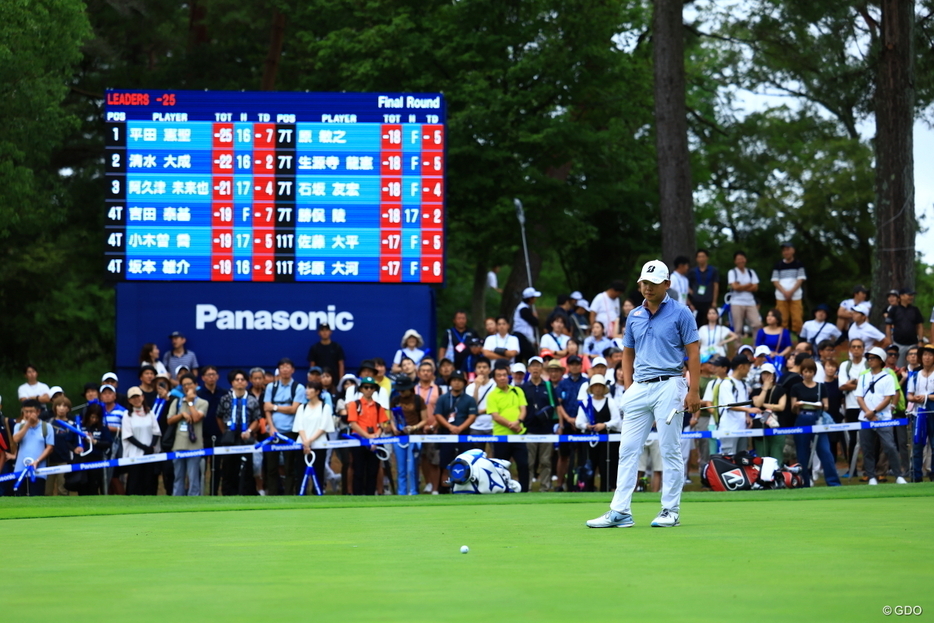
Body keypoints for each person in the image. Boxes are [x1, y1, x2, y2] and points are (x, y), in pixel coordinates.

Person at [587, 260, 700, 529]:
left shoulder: (681, 313)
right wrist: (628, 387)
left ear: (667, 285)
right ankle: (620, 511)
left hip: (670, 383)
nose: (646, 287)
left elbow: (693, 352)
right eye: (643, 283)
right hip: (639, 386)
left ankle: (670, 510)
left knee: (670, 449)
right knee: (627, 450)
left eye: (652, 283)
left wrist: (693, 390)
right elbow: (627, 352)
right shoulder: (634, 316)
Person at [855, 347, 907, 485]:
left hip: (883, 418)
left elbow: (888, 398)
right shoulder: (864, 376)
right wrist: (868, 412)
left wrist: (874, 412)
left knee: (889, 446)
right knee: (867, 448)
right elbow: (859, 397)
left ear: (880, 360)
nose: (870, 361)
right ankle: (871, 476)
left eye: (873, 358)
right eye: (869, 358)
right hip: (865, 417)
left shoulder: (888, 377)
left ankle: (898, 475)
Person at [789, 359, 841, 487]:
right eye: (805, 371)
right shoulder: (796, 387)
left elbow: (826, 406)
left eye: (810, 371)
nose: (808, 374)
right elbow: (793, 408)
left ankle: (833, 482)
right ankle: (804, 482)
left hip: (817, 419)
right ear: (802, 372)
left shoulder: (820, 386)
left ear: (814, 372)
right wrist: (797, 405)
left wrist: (819, 406)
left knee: (825, 451)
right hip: (802, 418)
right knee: (802, 453)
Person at [263, 358, 306, 495]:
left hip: (290, 432)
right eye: (282, 367)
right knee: (271, 467)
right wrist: (271, 427)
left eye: (288, 367)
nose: (285, 369)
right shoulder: (271, 387)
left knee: (290, 467)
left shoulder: (298, 388)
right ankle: (273, 495)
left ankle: (289, 494)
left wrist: (274, 406)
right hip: (273, 432)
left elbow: (294, 409)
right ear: (279, 370)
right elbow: (266, 408)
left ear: (293, 370)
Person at [216, 369, 262, 496]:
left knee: (246, 468)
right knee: (228, 468)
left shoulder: (252, 400)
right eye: (237, 380)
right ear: (232, 383)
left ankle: (246, 494)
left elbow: (257, 420)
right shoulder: (225, 399)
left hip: (245, 436)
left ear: (247, 383)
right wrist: (225, 432)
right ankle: (228, 494)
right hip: (229, 436)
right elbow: (219, 416)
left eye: (242, 380)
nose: (240, 382)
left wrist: (249, 430)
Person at [575, 374, 621, 492]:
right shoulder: (586, 402)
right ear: (591, 388)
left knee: (606, 466)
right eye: (595, 386)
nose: (598, 388)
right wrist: (587, 426)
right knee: (589, 464)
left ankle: (606, 490)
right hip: (588, 439)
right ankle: (587, 491)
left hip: (606, 441)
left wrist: (604, 425)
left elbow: (617, 421)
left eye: (600, 385)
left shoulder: (610, 402)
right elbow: (578, 422)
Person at [487, 366, 529, 492]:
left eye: (504, 375)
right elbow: (495, 416)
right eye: (499, 375)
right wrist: (512, 425)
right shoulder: (492, 395)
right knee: (501, 467)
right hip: (501, 436)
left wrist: (518, 422)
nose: (502, 378)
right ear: (494, 378)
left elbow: (523, 409)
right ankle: (502, 491)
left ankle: (524, 490)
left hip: (518, 435)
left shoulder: (517, 391)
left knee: (523, 464)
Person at [434, 370, 478, 486]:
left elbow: (472, 416)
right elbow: (438, 414)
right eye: (454, 380)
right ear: (450, 382)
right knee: (445, 465)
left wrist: (460, 428)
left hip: (464, 436)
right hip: (446, 435)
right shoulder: (443, 398)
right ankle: (444, 490)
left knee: (466, 464)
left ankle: (465, 488)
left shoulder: (469, 399)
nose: (457, 383)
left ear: (464, 383)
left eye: (459, 380)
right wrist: (450, 427)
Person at [167, 373, 208, 496]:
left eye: (189, 384)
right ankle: (177, 500)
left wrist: (190, 403)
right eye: (184, 385)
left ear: (196, 385)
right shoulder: (177, 402)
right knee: (178, 477)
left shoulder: (202, 402)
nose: (186, 387)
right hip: (178, 445)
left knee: (193, 477)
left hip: (194, 446)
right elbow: (169, 420)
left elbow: (196, 418)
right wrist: (181, 415)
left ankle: (193, 501)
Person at [347, 376, 388, 495]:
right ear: (361, 389)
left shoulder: (378, 406)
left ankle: (370, 496)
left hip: (374, 441)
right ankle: (357, 497)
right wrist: (367, 436)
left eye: (371, 387)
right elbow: (353, 424)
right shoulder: (355, 404)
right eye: (366, 387)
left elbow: (382, 424)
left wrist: (376, 436)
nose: (369, 390)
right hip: (359, 441)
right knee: (358, 470)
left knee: (373, 470)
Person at [292, 379, 335, 495]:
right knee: (300, 471)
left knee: (318, 471)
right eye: (306, 388)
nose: (307, 391)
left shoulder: (324, 407)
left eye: (310, 388)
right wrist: (305, 442)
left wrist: (310, 440)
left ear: (317, 392)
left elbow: (324, 427)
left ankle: (318, 493)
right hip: (302, 445)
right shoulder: (302, 407)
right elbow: (299, 426)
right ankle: (301, 494)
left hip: (319, 445)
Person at [520, 357, 555, 491]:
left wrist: (560, 426)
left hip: (546, 430)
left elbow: (555, 406)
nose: (535, 368)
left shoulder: (548, 385)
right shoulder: (523, 387)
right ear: (529, 369)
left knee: (545, 461)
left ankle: (545, 487)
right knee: (529, 462)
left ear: (541, 369)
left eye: (538, 366)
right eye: (532, 366)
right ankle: (527, 487)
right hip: (530, 430)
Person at [389, 376, 427, 495]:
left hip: (415, 436)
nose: (401, 392)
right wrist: (394, 428)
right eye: (399, 390)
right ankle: (402, 493)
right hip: (399, 437)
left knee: (412, 467)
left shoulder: (417, 400)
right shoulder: (395, 400)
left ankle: (413, 491)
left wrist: (414, 427)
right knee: (401, 469)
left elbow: (425, 419)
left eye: (403, 390)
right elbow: (392, 418)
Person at [555, 355, 588, 491]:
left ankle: (582, 483)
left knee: (583, 457)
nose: (575, 366)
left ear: (581, 366)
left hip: (583, 425)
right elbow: (559, 405)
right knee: (563, 456)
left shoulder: (587, 382)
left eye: (577, 364)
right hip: (567, 424)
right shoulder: (563, 383)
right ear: (568, 366)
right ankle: (559, 484)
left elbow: (589, 403)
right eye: (572, 364)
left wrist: (580, 420)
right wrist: (567, 420)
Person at [122, 386, 160, 495]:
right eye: (133, 398)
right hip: (135, 455)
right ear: (129, 400)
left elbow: (156, 432)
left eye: (138, 396)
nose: (136, 399)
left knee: (149, 483)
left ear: (142, 397)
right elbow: (128, 435)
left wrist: (151, 447)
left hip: (150, 455)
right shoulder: (127, 415)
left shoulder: (150, 413)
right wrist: (144, 447)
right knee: (135, 483)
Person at [11, 400, 55, 496]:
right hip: (20, 469)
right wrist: (27, 425)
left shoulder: (47, 427)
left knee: (37, 496)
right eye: (26, 412)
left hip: (38, 470)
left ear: (38, 412)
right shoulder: (19, 426)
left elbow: (50, 447)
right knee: (19, 498)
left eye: (31, 411)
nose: (28, 414)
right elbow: (16, 439)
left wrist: (37, 460)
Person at [907, 344, 934, 482]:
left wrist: (926, 397)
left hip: (933, 412)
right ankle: (916, 476)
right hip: (920, 413)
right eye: (924, 355)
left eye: (930, 355)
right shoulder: (916, 375)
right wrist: (914, 398)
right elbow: (909, 395)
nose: (927, 358)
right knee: (917, 445)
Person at [751, 363, 785, 463]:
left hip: (777, 425)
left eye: (768, 373)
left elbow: (781, 407)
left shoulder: (780, 390)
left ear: (773, 375)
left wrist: (765, 406)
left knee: (776, 455)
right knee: (762, 455)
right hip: (760, 425)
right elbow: (757, 403)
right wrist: (765, 388)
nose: (766, 376)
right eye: (764, 373)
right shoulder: (756, 391)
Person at [770, 242, 806, 334]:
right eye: (784, 250)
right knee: (782, 319)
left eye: (788, 249)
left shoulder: (799, 264)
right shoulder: (778, 265)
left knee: (797, 319)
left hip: (796, 296)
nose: (786, 252)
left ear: (793, 250)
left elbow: (800, 280)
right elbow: (775, 281)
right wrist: (784, 292)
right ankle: (783, 340)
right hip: (781, 296)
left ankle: (800, 341)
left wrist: (791, 292)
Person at [886, 287, 924, 367]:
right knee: (899, 367)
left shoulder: (915, 310)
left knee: (914, 365)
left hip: (913, 344)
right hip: (898, 343)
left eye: (912, 295)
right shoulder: (894, 309)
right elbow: (888, 326)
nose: (911, 297)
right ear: (901, 296)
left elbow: (920, 326)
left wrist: (920, 340)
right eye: (909, 295)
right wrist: (889, 340)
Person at [727, 250, 761, 337]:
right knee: (738, 328)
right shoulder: (732, 272)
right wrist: (749, 285)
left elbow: (755, 287)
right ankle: (738, 349)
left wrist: (741, 286)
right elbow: (735, 287)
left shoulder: (750, 272)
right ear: (735, 261)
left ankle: (756, 347)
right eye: (738, 259)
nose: (740, 261)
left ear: (745, 260)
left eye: (742, 258)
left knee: (757, 324)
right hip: (737, 302)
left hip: (750, 302)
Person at [688, 249, 719, 328]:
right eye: (699, 257)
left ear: (707, 257)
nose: (701, 258)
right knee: (696, 323)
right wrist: (692, 293)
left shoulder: (713, 270)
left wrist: (714, 301)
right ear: (696, 259)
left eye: (703, 256)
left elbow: (716, 285)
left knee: (708, 322)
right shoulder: (692, 271)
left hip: (708, 300)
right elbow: (687, 285)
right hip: (696, 301)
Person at [465, 357, 495, 437]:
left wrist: (480, 412)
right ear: (475, 370)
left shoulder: (496, 386)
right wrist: (477, 387)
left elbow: (498, 406)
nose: (481, 370)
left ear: (490, 370)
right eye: (479, 367)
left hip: (493, 425)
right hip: (475, 426)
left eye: (484, 367)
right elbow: (473, 406)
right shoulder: (470, 388)